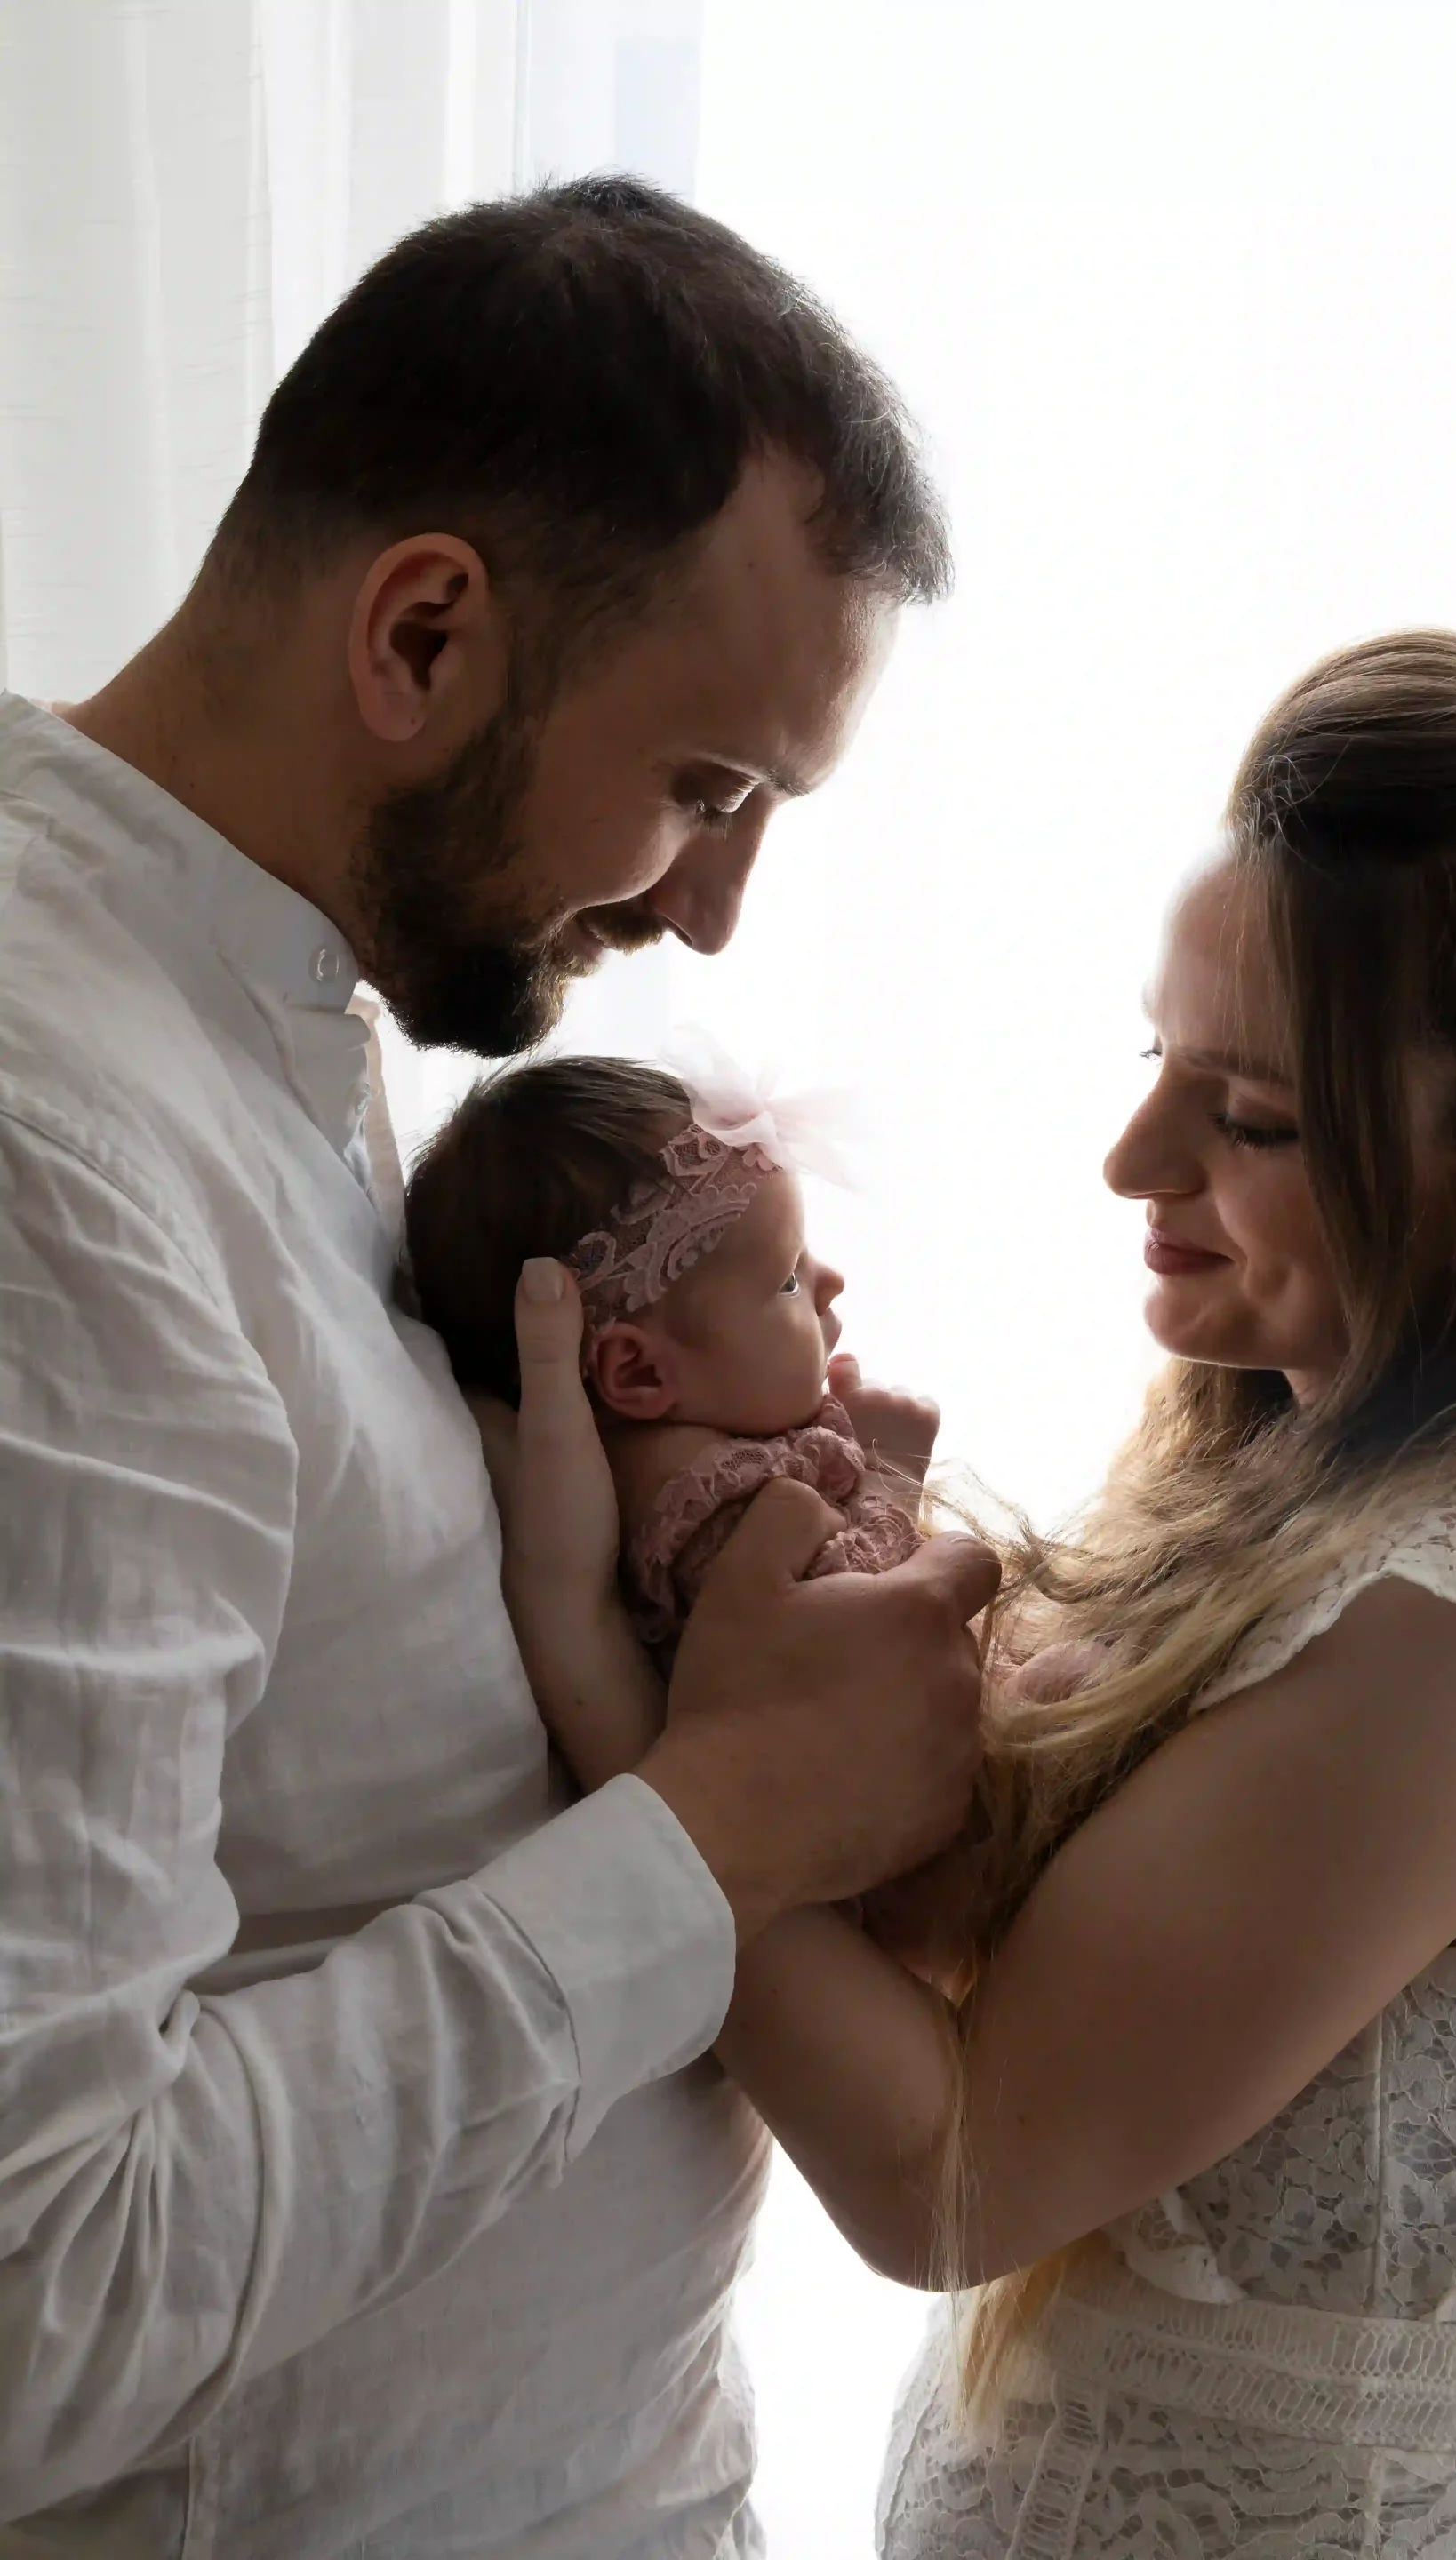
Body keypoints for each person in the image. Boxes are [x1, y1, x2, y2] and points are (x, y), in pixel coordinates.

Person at [0, 178, 998, 2557]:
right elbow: (39, 2298)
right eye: (706, 785)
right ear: (425, 631)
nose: (708, 907)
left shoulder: (277, 1014)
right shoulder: (49, 1156)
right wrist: (727, 1822)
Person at [500, 631, 1456, 2556]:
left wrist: (600, 1676)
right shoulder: (1327, 1472)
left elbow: (951, 2180)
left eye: (1255, 1120)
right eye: (1163, 1059)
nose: (1130, 1157)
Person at [403, 1050, 933, 1685]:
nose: (831, 1281)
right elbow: (854, 1644)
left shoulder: (711, 1452)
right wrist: (891, 1476)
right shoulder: (698, 1496)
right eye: (788, 1279)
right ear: (639, 1374)